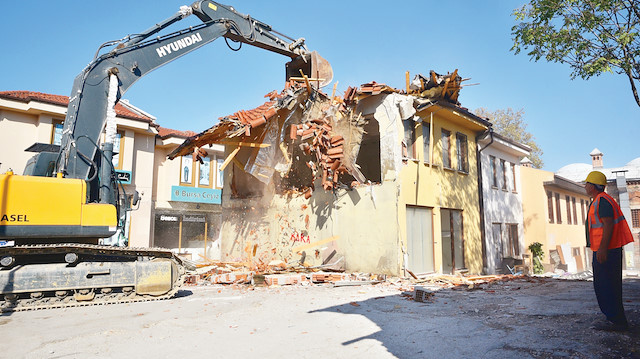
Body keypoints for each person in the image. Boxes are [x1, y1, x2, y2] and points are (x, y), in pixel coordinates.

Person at [584, 170, 634, 331]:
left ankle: (615, 321)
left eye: (587, 183)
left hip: (607, 251)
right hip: (605, 249)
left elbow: (608, 224)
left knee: (606, 285)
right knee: (606, 285)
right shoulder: (601, 200)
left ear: (592, 186)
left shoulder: (602, 201)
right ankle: (614, 318)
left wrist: (603, 249)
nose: (585, 186)